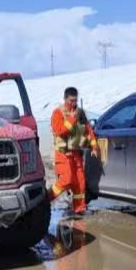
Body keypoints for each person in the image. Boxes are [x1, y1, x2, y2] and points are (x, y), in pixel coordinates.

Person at [48, 87, 99, 215]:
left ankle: (79, 209)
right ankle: (46, 200)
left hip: (76, 154)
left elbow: (88, 130)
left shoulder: (80, 113)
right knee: (67, 179)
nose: (74, 104)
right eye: (71, 101)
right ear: (65, 99)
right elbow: (60, 131)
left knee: (80, 182)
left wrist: (94, 147)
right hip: (63, 154)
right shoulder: (58, 113)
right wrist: (71, 119)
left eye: (75, 101)